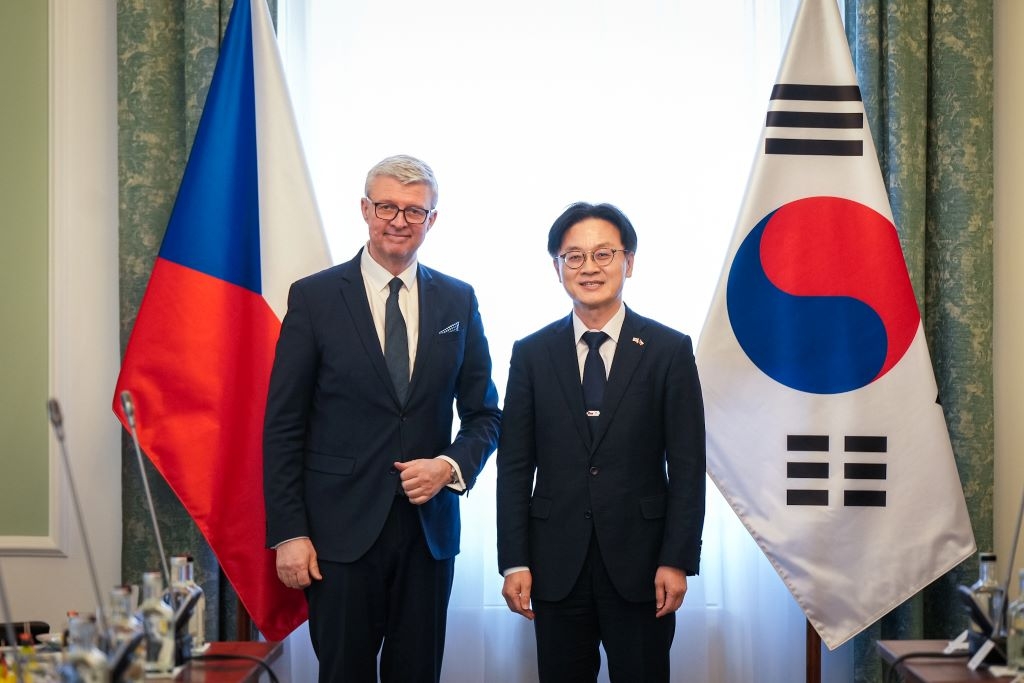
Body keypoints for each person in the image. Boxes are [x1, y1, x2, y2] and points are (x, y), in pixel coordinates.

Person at [263, 155, 501, 683]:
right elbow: (283, 424)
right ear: (365, 209)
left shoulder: (458, 300)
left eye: (414, 211)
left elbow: (485, 414)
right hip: (337, 535)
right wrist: (289, 532)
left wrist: (449, 467)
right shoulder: (314, 297)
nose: (399, 220)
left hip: (427, 533)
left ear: (432, 219)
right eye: (387, 207)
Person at [496, 202, 706, 682]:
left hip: (643, 565)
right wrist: (514, 561)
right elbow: (514, 466)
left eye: (603, 253)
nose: (589, 267)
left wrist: (676, 559)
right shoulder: (531, 353)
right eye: (574, 256)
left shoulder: (669, 350)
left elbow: (688, 466)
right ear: (557, 268)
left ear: (628, 262)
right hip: (555, 564)